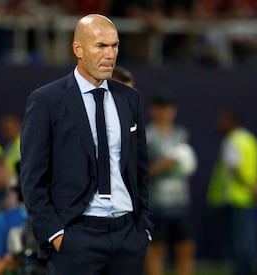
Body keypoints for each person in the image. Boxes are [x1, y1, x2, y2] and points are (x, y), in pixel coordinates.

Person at [20, 14, 153, 275]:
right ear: (78, 49)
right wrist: (55, 234)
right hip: (76, 236)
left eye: (114, 46)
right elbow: (32, 177)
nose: (110, 54)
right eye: (100, 46)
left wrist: (143, 227)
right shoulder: (47, 100)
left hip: (128, 237)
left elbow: (140, 170)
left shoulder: (130, 98)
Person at [145, 96, 197, 275]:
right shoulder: (147, 135)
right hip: (157, 202)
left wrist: (187, 166)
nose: (166, 112)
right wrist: (163, 166)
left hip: (180, 200)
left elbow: (186, 164)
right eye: (161, 108)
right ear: (153, 110)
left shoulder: (181, 134)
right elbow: (140, 171)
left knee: (186, 248)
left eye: (169, 108)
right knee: (157, 249)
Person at [207, 109, 257, 275]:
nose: (219, 124)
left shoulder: (232, 140)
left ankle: (244, 271)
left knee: (240, 240)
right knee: (247, 237)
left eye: (223, 120)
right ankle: (252, 268)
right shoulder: (250, 140)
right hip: (248, 197)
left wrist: (251, 186)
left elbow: (235, 168)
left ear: (232, 122)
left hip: (235, 198)